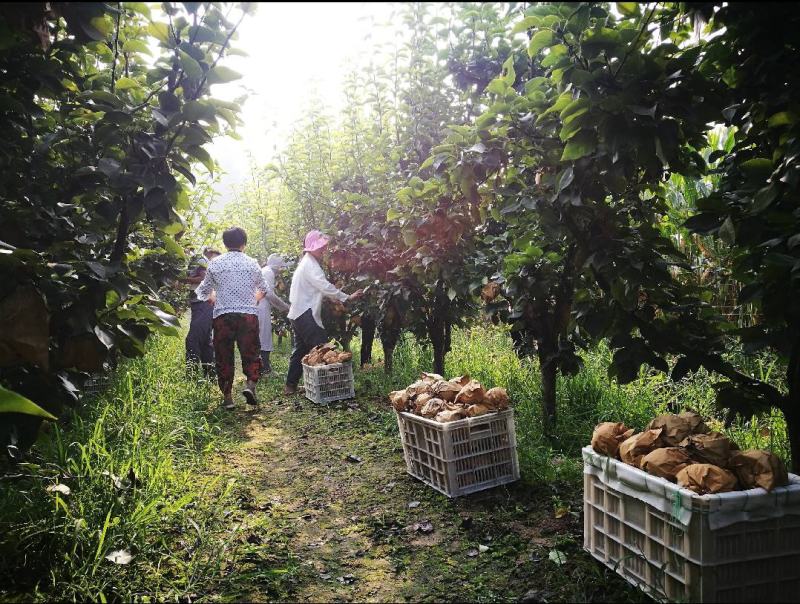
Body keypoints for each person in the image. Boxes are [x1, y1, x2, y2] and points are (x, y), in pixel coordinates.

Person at [195, 227, 268, 410]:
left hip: (223, 316)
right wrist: (253, 301)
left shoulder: (215, 263)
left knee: (223, 356)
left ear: (225, 243)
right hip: (248, 315)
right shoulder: (252, 263)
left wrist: (214, 299)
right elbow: (264, 289)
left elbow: (203, 292)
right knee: (251, 353)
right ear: (244, 243)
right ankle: (250, 386)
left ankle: (228, 399)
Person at [284, 230, 363, 395]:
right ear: (310, 248)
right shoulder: (310, 264)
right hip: (305, 313)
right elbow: (324, 286)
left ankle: (290, 386)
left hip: (298, 313)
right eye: (320, 247)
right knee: (324, 351)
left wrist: (331, 298)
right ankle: (329, 388)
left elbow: (314, 289)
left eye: (324, 247)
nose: (323, 250)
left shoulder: (307, 263)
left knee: (300, 351)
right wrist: (347, 297)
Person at [184, 247, 220, 373]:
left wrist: (183, 279)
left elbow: (202, 278)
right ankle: (209, 372)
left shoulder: (199, 259)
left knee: (193, 339)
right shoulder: (192, 262)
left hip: (204, 303)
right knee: (205, 338)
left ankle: (191, 372)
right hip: (199, 304)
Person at [256, 253, 290, 375]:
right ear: (278, 266)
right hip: (261, 306)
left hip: (258, 306)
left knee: (261, 336)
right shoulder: (269, 272)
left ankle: (260, 367)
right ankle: (265, 368)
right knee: (264, 336)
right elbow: (269, 294)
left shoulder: (265, 270)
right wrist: (285, 307)